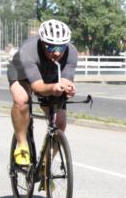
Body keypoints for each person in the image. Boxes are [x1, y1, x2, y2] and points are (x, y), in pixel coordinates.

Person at [8, 19, 78, 166]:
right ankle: (22, 145)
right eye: (52, 48)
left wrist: (68, 88)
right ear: (43, 43)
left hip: (49, 75)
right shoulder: (29, 50)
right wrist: (53, 88)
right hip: (23, 73)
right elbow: (38, 87)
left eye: (61, 47)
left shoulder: (71, 52)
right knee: (21, 101)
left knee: (60, 123)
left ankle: (46, 164)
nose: (57, 52)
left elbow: (65, 80)